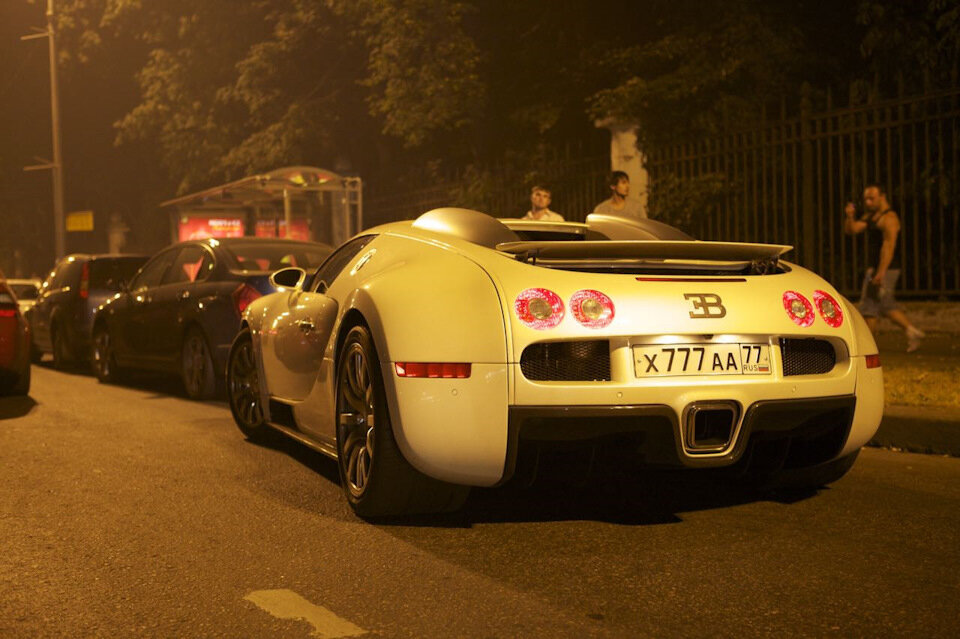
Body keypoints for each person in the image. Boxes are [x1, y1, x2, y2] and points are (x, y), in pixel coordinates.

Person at [843, 184, 924, 352]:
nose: (868, 201)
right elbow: (852, 230)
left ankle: (867, 347)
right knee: (879, 305)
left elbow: (889, 246)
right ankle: (911, 331)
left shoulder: (890, 218)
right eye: (866, 198)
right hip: (875, 269)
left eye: (872, 197)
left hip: (886, 269)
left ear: (882, 197)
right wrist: (850, 216)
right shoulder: (871, 216)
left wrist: (881, 272)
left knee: (869, 306)